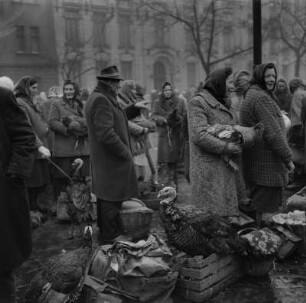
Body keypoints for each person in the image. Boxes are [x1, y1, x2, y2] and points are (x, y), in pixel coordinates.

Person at [85, 66, 138, 244]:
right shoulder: (101, 99)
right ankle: (110, 244)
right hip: (111, 164)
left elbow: (116, 120)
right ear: (107, 82)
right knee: (110, 203)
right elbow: (106, 133)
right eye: (116, 82)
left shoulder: (104, 97)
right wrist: (125, 153)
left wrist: (133, 109)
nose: (118, 85)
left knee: (108, 201)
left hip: (109, 164)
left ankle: (108, 242)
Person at [240, 63, 294, 225]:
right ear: (259, 76)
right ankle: (264, 244)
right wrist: (288, 159)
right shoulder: (261, 98)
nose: (272, 79)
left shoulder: (253, 94)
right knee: (267, 214)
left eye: (273, 76)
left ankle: (256, 241)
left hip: (255, 165)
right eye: (268, 76)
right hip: (267, 168)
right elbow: (274, 134)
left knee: (257, 209)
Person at [188, 67, 243, 218]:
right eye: (230, 82)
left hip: (225, 169)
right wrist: (226, 147)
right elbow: (199, 136)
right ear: (219, 82)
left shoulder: (226, 103)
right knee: (209, 219)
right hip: (208, 171)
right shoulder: (198, 103)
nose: (233, 86)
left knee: (224, 220)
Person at [0, 78, 36, 303]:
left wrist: (14, 174)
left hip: (3, 194)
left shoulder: (3, 99)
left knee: (3, 262)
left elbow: (25, 137)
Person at [14, 76, 51, 213]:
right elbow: (27, 128)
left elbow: (38, 121)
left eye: (37, 88)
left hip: (39, 152)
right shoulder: (20, 103)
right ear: (25, 88)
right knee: (32, 185)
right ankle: (30, 213)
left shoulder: (29, 102)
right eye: (33, 88)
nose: (36, 91)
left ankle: (35, 211)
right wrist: (39, 145)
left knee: (39, 185)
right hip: (32, 151)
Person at [48, 80, 89, 200]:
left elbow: (89, 122)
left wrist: (82, 130)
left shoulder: (84, 105)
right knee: (63, 180)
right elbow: (52, 122)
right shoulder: (57, 103)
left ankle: (82, 209)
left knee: (82, 180)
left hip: (82, 148)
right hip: (64, 149)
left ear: (75, 90)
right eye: (66, 89)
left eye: (71, 89)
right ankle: (63, 210)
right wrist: (68, 129)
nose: (68, 92)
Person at [118, 80, 155, 182]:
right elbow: (125, 123)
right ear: (126, 89)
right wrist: (143, 128)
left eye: (135, 89)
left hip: (139, 143)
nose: (134, 91)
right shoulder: (120, 103)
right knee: (133, 175)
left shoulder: (134, 101)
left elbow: (143, 120)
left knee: (141, 174)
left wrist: (147, 126)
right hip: (130, 142)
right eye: (132, 89)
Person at [151, 82, 186, 188]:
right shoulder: (157, 102)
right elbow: (153, 116)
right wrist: (163, 120)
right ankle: (164, 186)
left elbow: (184, 115)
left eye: (170, 90)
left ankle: (174, 188)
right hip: (164, 135)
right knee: (163, 162)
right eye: (166, 90)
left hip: (175, 134)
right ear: (163, 91)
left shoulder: (179, 101)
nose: (168, 92)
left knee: (173, 162)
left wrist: (178, 119)